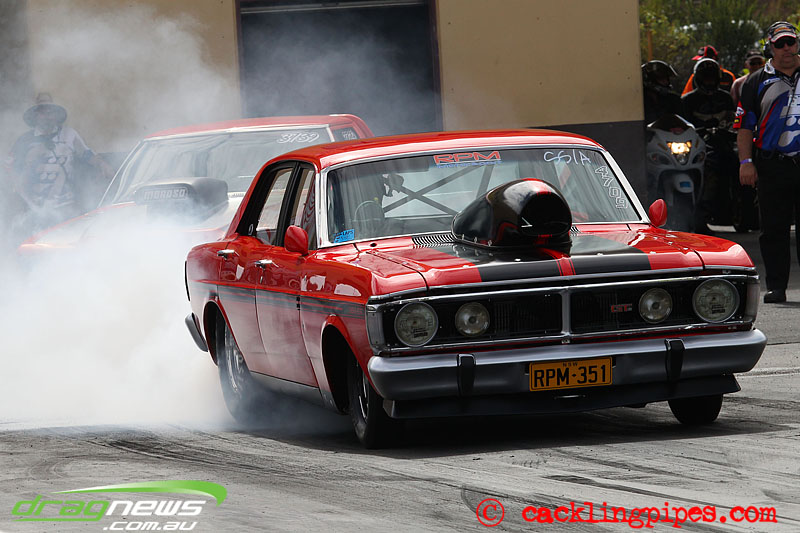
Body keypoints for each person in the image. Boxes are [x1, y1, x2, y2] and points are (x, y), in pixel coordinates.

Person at [735, 21, 800, 303]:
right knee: (773, 229)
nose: (786, 48)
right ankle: (776, 286)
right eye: (780, 44)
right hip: (772, 165)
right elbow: (744, 127)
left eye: (790, 42)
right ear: (770, 47)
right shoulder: (755, 81)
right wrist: (745, 162)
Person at [5, 93, 113, 234]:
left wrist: (103, 164)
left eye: (50, 111)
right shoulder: (24, 141)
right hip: (35, 209)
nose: (47, 116)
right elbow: (11, 168)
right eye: (42, 112)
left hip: (67, 207)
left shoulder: (69, 134)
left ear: (56, 115)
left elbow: (87, 154)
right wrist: (20, 194)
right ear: (35, 115)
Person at [682, 58, 736, 234]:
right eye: (706, 78)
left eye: (712, 78)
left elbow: (734, 120)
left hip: (725, 144)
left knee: (740, 169)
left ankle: (742, 215)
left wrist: (727, 131)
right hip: (698, 148)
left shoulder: (725, 98)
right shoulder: (687, 100)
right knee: (703, 175)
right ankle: (701, 217)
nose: (709, 82)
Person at [642, 60, 683, 124]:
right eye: (661, 79)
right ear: (649, 80)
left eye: (667, 79)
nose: (666, 82)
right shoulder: (639, 103)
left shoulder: (674, 100)